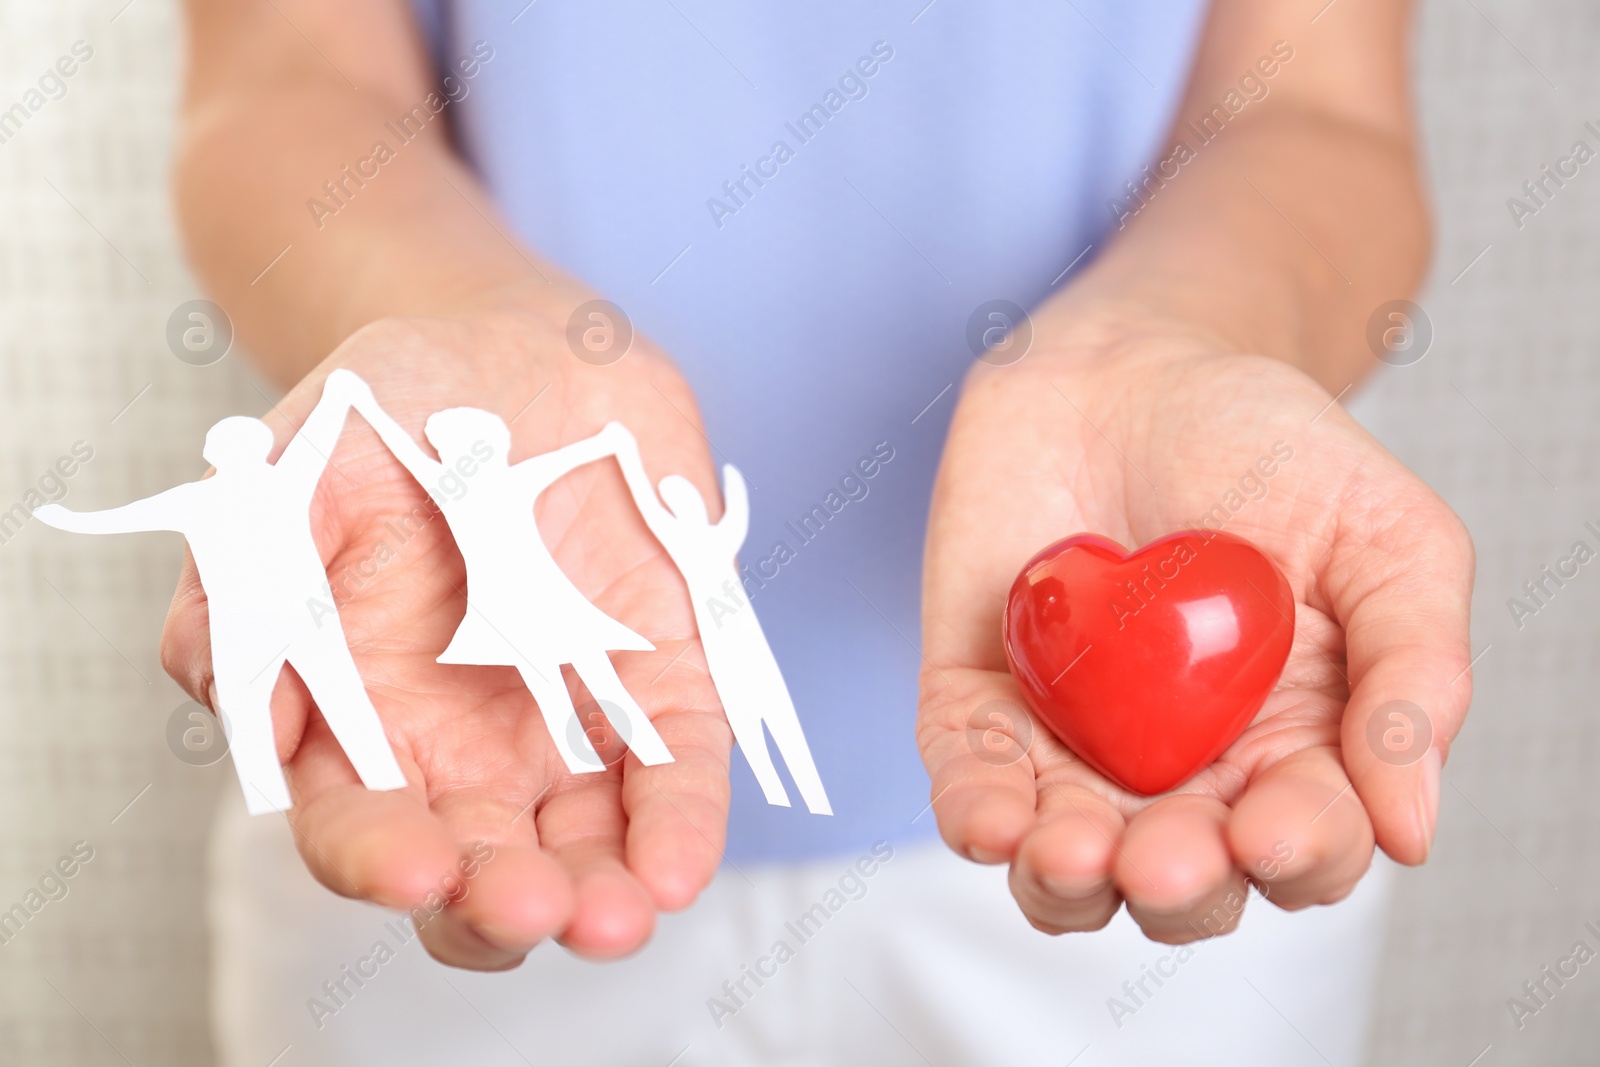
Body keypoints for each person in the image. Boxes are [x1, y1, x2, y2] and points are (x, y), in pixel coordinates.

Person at [170, 0, 1474, 1063]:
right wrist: (464, 322)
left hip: (1161, 840)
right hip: (449, 742)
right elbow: (286, 75)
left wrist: (1173, 333)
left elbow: (1318, 110)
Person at [37, 376, 406, 814]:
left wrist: (63, 517)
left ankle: (306, 790)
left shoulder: (201, 497)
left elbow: (114, 520)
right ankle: (377, 777)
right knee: (328, 698)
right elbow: (319, 434)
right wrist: (336, 395)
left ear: (212, 455)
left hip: (250, 625)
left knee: (254, 709)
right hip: (293, 617)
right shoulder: (283, 477)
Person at [342, 375, 674, 771]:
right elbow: (404, 450)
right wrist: (366, 406)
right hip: (511, 605)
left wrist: (365, 404)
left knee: (583, 674)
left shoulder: (483, 481)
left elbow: (569, 457)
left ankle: (636, 753)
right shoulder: (455, 485)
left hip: (541, 597)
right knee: (565, 679)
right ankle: (597, 761)